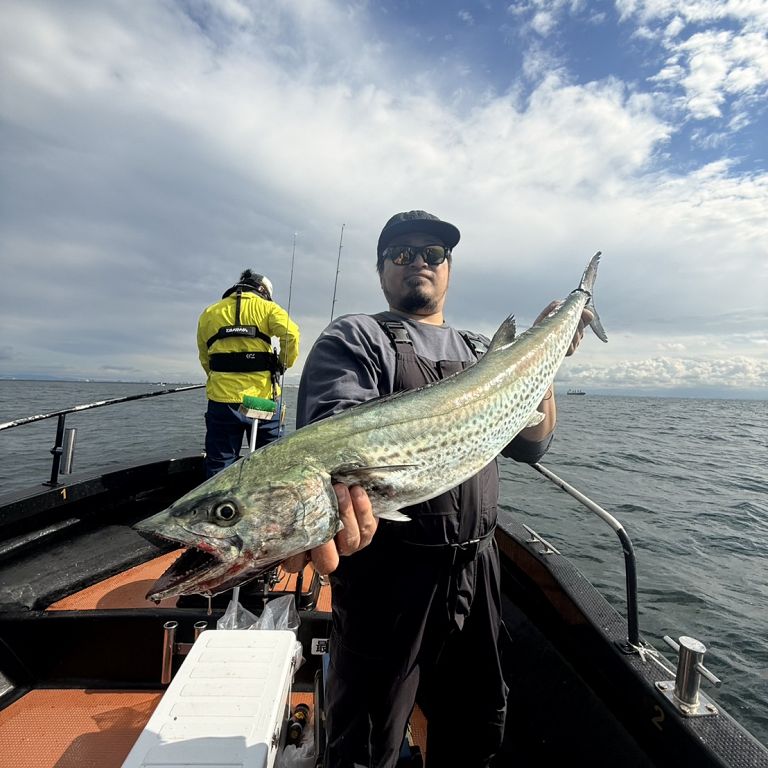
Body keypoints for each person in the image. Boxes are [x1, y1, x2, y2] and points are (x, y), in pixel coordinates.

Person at [286, 211, 593, 768]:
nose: (418, 263)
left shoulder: (482, 349)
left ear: (448, 268)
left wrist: (542, 357)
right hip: (387, 578)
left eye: (432, 253)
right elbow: (335, 430)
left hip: (478, 572)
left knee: (475, 726)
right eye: (401, 255)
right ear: (382, 270)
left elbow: (531, 443)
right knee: (366, 741)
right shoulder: (357, 338)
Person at [197, 269, 299, 478]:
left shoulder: (209, 313)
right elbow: (291, 335)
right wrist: (283, 364)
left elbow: (205, 356)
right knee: (271, 460)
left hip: (221, 400)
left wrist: (217, 378)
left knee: (219, 464)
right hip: (262, 400)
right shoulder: (269, 308)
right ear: (263, 290)